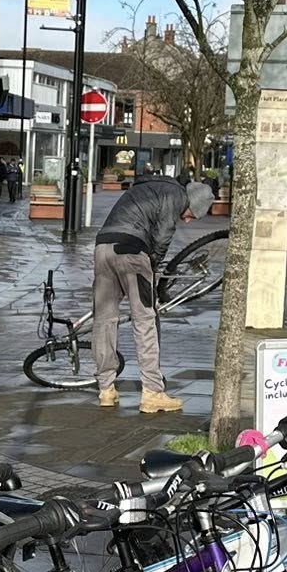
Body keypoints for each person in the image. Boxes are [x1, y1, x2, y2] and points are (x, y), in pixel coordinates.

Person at [92, 175, 215, 414]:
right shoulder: (176, 195)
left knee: (104, 321)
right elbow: (163, 235)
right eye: (192, 215)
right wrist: (154, 265)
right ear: (191, 203)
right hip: (132, 251)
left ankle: (106, 389)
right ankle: (152, 393)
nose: (188, 221)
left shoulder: (152, 187)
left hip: (103, 246)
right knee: (145, 321)